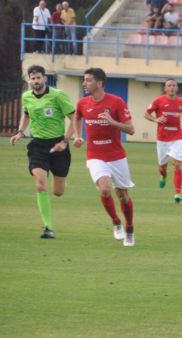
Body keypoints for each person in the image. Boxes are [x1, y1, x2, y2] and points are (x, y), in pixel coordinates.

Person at [9, 65, 76, 239]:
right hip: (38, 145)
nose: (36, 81)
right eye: (33, 78)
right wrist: (20, 132)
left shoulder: (58, 95)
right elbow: (26, 114)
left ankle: (59, 180)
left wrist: (65, 141)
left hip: (59, 145)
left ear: (45, 79)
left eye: (39, 78)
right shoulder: (26, 97)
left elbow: (73, 117)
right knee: (40, 184)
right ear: (29, 80)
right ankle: (48, 227)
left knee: (58, 192)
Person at [73, 68, 137, 246]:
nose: (84, 83)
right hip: (95, 155)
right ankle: (116, 222)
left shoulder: (116, 102)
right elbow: (77, 117)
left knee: (123, 195)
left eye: (88, 80)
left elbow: (131, 129)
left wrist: (112, 122)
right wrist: (78, 136)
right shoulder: (83, 103)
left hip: (116, 156)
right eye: (84, 80)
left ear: (100, 83)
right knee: (105, 189)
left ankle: (130, 228)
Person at [144, 78, 182, 203]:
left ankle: (177, 194)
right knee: (162, 167)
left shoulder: (181, 102)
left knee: (177, 164)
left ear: (177, 88)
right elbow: (146, 113)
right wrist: (155, 120)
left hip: (177, 138)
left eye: (174, 85)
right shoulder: (158, 101)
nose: (171, 87)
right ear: (165, 88)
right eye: (169, 85)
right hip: (162, 139)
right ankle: (163, 176)